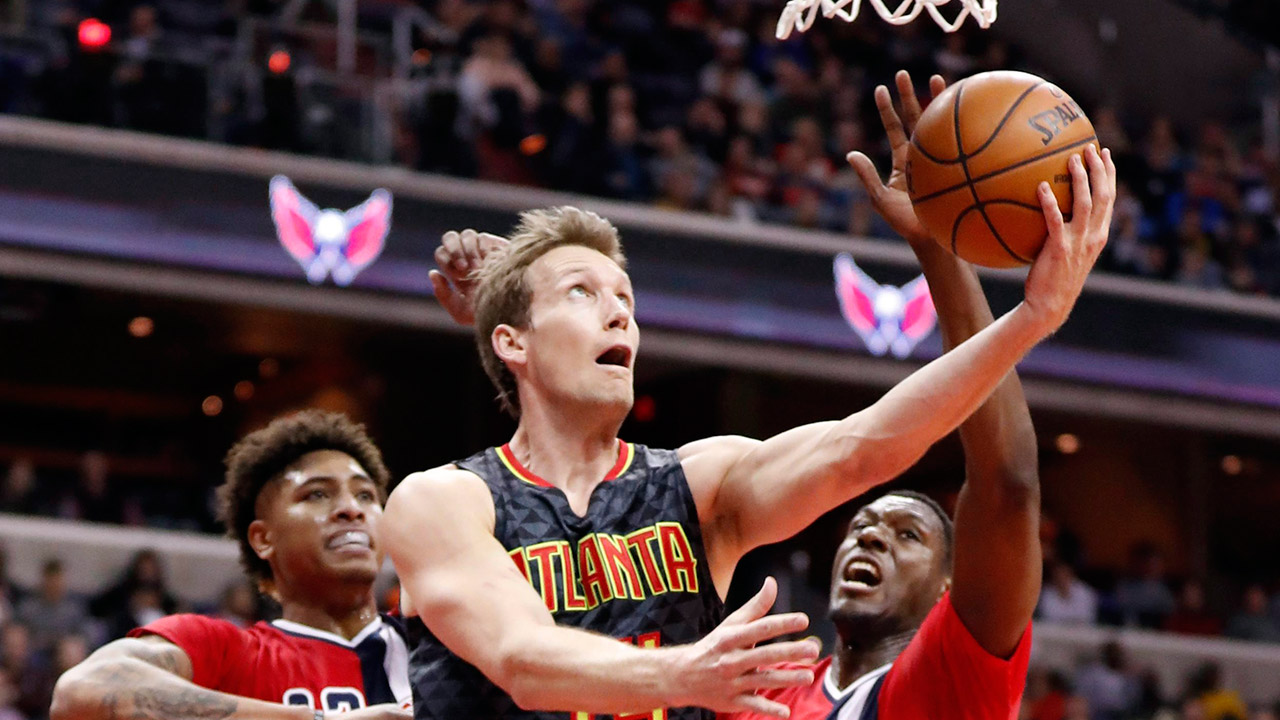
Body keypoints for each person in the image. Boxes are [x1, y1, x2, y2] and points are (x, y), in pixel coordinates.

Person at [390, 67, 1114, 718]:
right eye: (583, 293)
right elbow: (521, 661)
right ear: (513, 342)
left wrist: (1032, 319)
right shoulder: (443, 502)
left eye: (626, 299)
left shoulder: (699, 488)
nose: (619, 314)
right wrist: (680, 675)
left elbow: (863, 449)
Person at [723, 70, 1043, 720]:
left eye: (906, 535)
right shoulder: (760, 693)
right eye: (863, 527)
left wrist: (937, 249)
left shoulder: (951, 682)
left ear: (950, 590)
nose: (870, 538)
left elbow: (1007, 482)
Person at [51, 411, 412, 720]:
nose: (352, 509)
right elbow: (80, 693)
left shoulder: (435, 638)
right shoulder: (225, 649)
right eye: (317, 494)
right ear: (263, 538)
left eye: (366, 495)